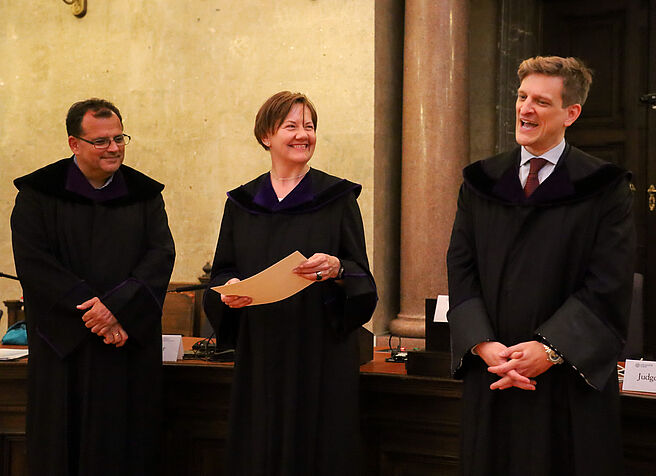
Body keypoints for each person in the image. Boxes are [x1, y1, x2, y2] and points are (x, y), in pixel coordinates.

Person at [446, 56, 635, 475]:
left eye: (541, 102)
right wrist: (482, 344)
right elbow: (460, 267)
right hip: (494, 373)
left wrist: (550, 349)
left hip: (565, 382)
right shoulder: (481, 182)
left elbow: (609, 283)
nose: (525, 109)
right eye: (521, 97)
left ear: (572, 113)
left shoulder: (604, 188)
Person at [203, 91, 377, 475]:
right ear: (267, 135)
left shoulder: (338, 198)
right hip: (261, 349)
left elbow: (361, 273)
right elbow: (221, 271)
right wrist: (228, 288)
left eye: (310, 126)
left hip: (320, 350)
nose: (304, 135)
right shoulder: (242, 203)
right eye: (292, 126)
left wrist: (336, 267)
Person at [11, 98, 175, 476]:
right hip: (63, 348)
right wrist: (95, 311)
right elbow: (35, 265)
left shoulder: (145, 194)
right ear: (74, 143)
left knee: (127, 446)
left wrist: (116, 309)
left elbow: (160, 256)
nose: (114, 147)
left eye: (119, 138)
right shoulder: (38, 193)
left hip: (127, 346)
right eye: (101, 141)